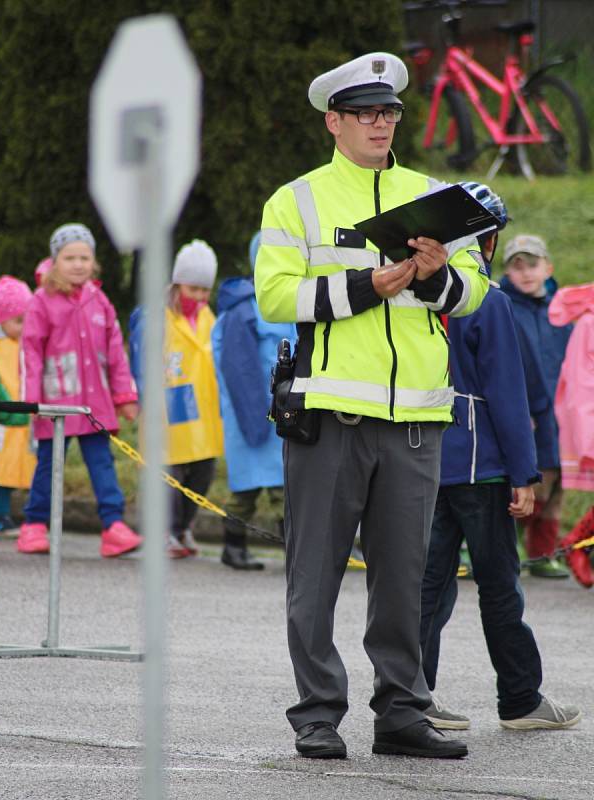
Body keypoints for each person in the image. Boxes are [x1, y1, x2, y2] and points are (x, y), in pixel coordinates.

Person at [255, 52, 490, 760]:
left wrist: (438, 274)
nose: (380, 123)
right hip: (331, 417)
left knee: (405, 580)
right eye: (365, 113)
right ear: (334, 122)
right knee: (315, 577)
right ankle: (318, 714)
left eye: (388, 112)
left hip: (416, 419)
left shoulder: (434, 193)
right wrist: (367, 288)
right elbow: (274, 296)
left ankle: (402, 712)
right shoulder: (295, 200)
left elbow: (477, 294)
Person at [419, 182, 581, 733]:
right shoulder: (489, 300)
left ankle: (411, 697)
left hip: (423, 460)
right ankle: (520, 700)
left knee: (427, 589)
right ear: (487, 241)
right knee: (500, 588)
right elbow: (509, 398)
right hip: (482, 467)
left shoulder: (414, 293)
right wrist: (526, 474)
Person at [19, 223, 141, 557]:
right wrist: (30, 402)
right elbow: (30, 352)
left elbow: (115, 353)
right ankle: (33, 525)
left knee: (103, 464)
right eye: (70, 257)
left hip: (94, 405)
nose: (77, 264)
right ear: (55, 260)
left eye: (84, 257)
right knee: (48, 466)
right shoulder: (42, 302)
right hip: (53, 404)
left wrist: (125, 396)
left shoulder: (100, 302)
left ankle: (113, 526)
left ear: (94, 262)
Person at [129, 239, 223, 558]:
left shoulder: (209, 318)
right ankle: (165, 531)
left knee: (201, 472)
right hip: (167, 410)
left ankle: (184, 526)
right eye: (193, 288)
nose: (199, 296)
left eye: (204, 290)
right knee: (168, 476)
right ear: (177, 282)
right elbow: (142, 361)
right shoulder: (155, 316)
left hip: (203, 413)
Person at [211, 232, 296, 569]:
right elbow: (239, 369)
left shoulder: (285, 301)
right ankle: (234, 546)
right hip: (254, 413)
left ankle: (287, 551)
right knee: (250, 488)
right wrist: (253, 419)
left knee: (282, 486)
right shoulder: (243, 309)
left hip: (281, 411)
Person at [500, 236, 573, 578]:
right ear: (506, 272)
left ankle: (543, 553)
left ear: (549, 268)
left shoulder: (563, 311)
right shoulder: (503, 308)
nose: (526, 273)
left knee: (559, 477)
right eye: (517, 266)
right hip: (527, 411)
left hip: (562, 412)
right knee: (528, 477)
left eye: (532, 265)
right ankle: (504, 544)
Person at [549, 282, 594, 588]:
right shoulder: (589, 324)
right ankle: (577, 542)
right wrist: (587, 438)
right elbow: (579, 385)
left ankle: (577, 541)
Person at [0, 276, 36, 532]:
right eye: (18, 321)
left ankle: (5, 513)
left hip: (20, 416)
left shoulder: (23, 344)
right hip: (0, 418)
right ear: (1, 319)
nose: (24, 326)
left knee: (16, 466)